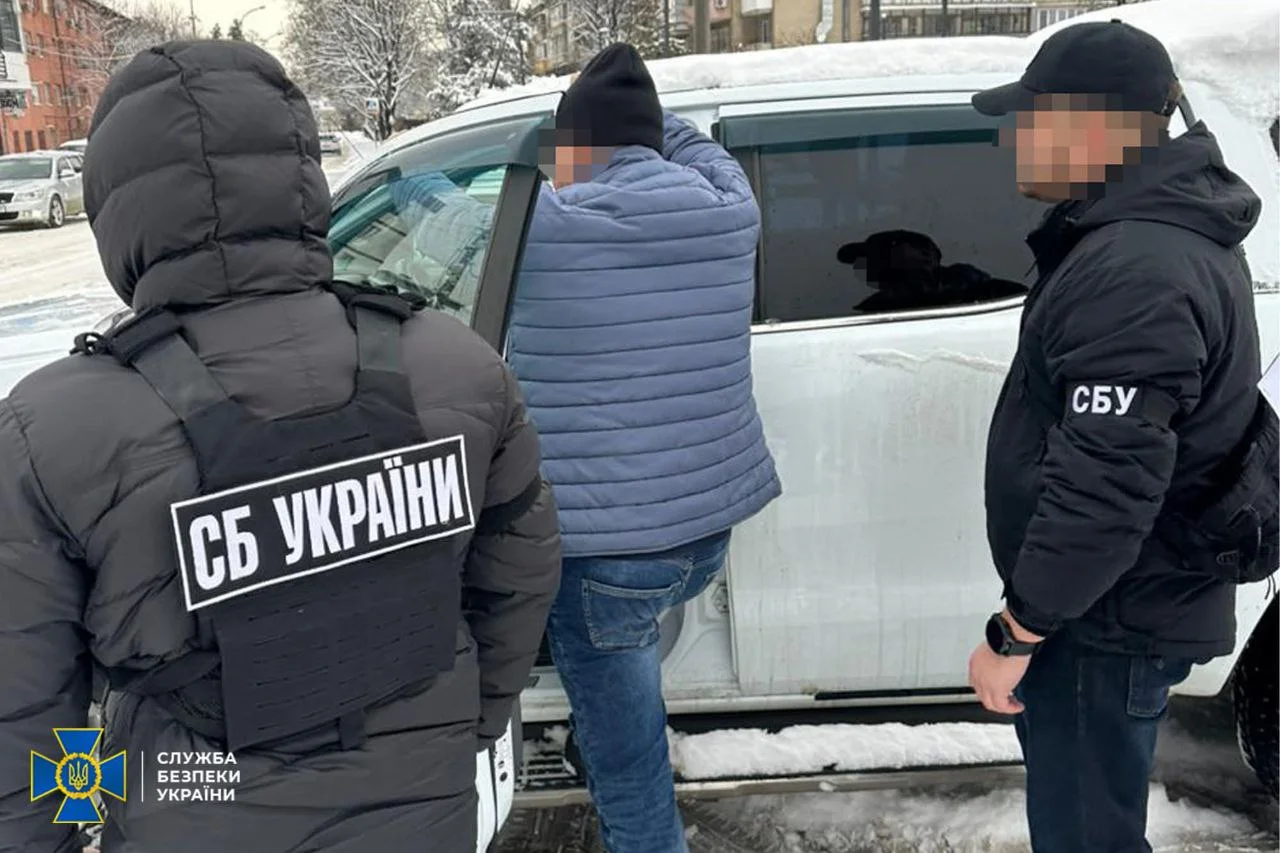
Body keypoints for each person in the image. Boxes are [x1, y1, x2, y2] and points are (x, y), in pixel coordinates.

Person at [0, 41, 561, 853]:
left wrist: (55, 832)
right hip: (423, 803)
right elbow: (520, 577)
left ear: (116, 206)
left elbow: (25, 704)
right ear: (301, 175)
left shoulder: (50, 430)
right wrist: (465, 723)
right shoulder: (458, 365)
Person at [967, 19, 1271, 853]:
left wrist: (1018, 629)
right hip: (1113, 604)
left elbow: (1106, 485)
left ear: (1092, 125)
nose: (1014, 138)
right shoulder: (1143, 235)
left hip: (1106, 617)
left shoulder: (1135, 266)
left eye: (1029, 118)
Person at [505, 44, 782, 853]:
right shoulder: (731, 208)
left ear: (577, 147)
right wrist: (641, 118)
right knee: (618, 706)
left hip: (606, 561)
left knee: (632, 772)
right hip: (702, 539)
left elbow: (443, 214)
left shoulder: (547, 229)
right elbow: (696, 146)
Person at [836, 229, 1026, 313]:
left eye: (881, 254)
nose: (867, 266)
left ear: (926, 256)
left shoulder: (883, 309)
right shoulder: (1004, 295)